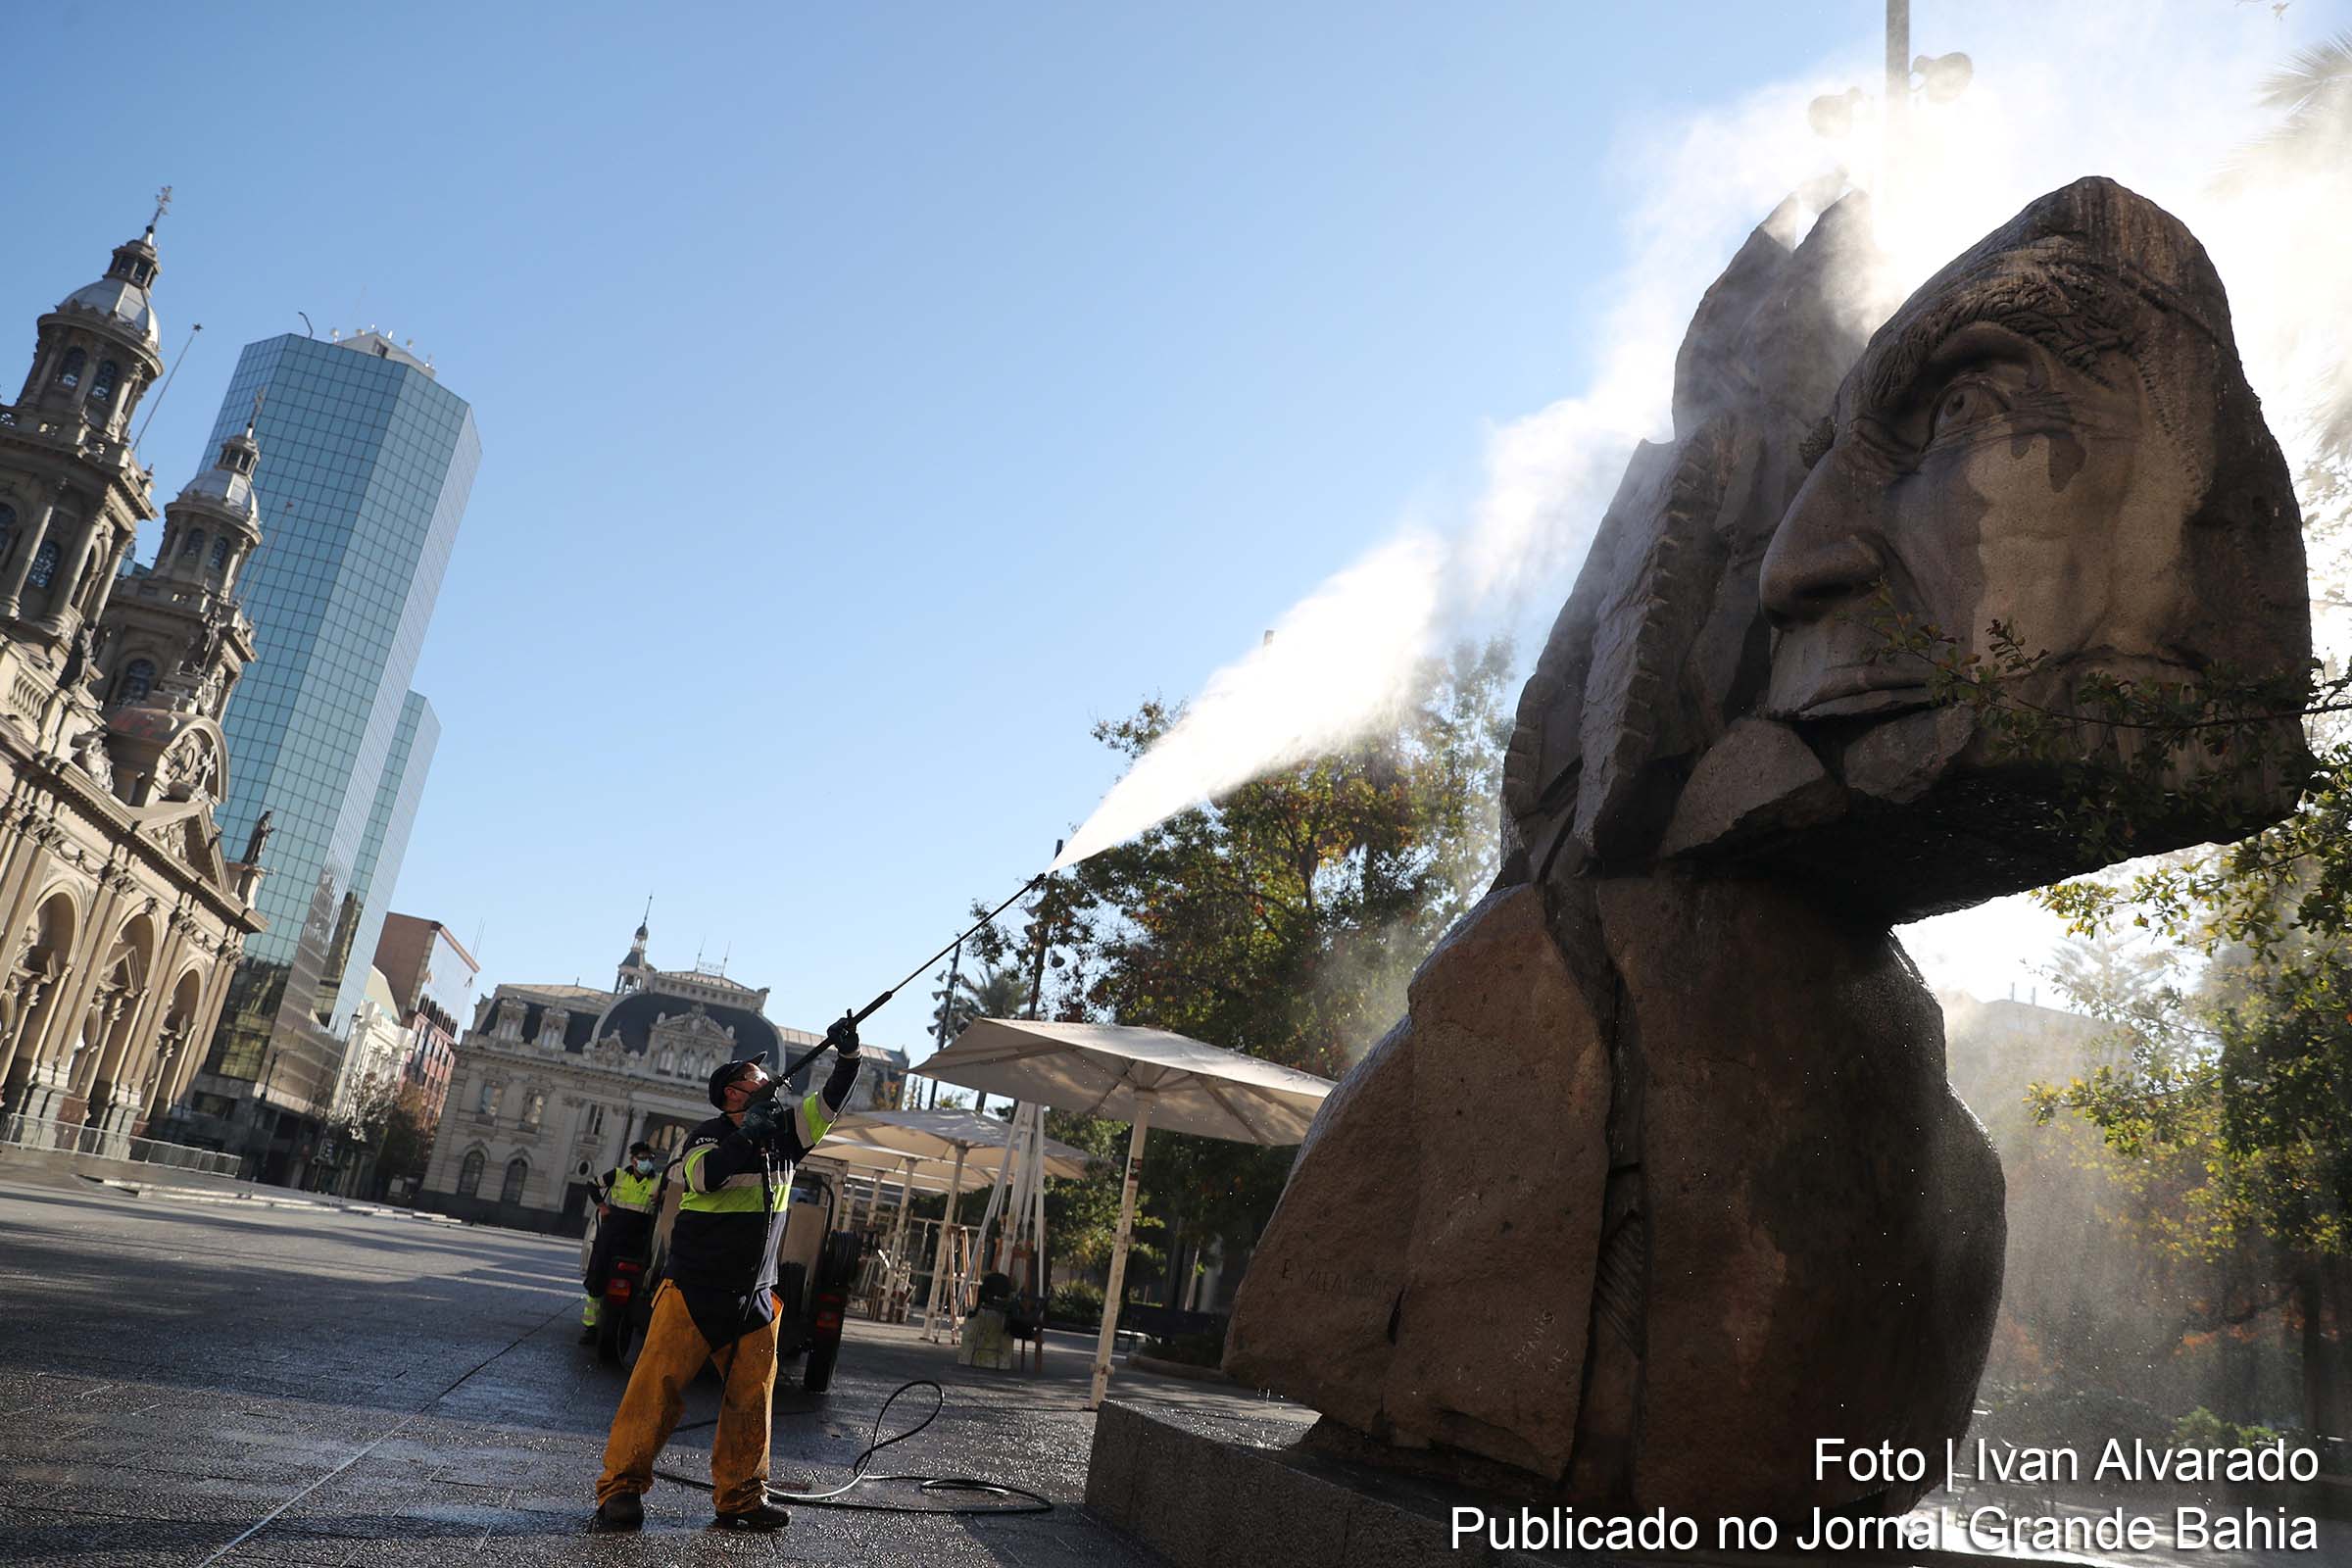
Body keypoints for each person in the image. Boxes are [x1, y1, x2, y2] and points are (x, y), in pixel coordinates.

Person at [591, 1019, 862, 1533]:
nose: (769, 1081)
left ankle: (740, 1497)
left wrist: (849, 1060)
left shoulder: (787, 1133)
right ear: (734, 1092)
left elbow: (828, 1105)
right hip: (694, 1290)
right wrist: (745, 1139)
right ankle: (620, 1490)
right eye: (757, 1076)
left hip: (756, 1294)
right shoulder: (706, 1136)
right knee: (655, 1392)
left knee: (752, 1401)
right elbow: (704, 1176)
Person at [580, 1140, 662, 1345]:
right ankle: (591, 1327)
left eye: (650, 1159)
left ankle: (630, 1321)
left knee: (638, 1283)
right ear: (633, 1161)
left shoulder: (658, 1181)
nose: (646, 1163)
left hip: (639, 1239)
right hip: (612, 1235)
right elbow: (592, 1184)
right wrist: (602, 1207)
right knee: (598, 1278)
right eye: (642, 1159)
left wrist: (662, 1195)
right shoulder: (618, 1175)